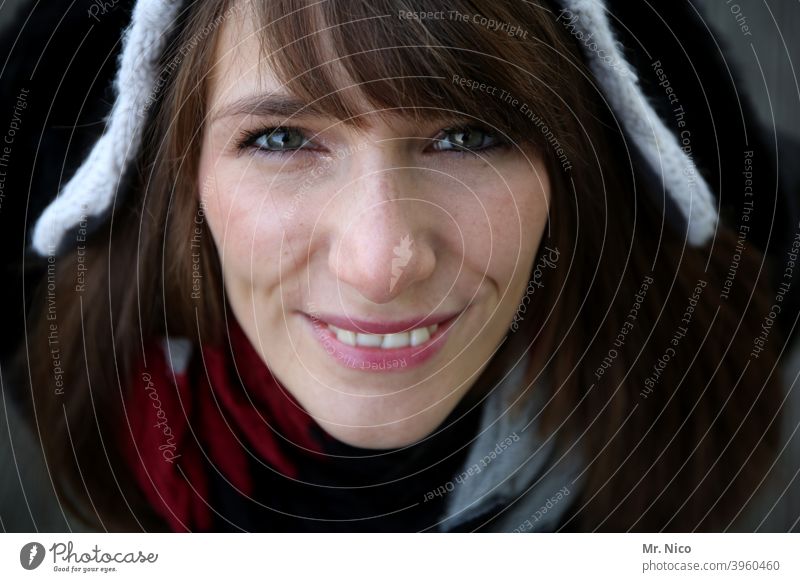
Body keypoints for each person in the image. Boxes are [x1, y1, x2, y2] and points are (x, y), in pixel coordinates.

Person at [8, 0, 800, 532]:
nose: (382, 266)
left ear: (575, 166)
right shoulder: (76, 358)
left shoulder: (712, 346)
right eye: (282, 139)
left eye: (466, 136)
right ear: (181, 174)